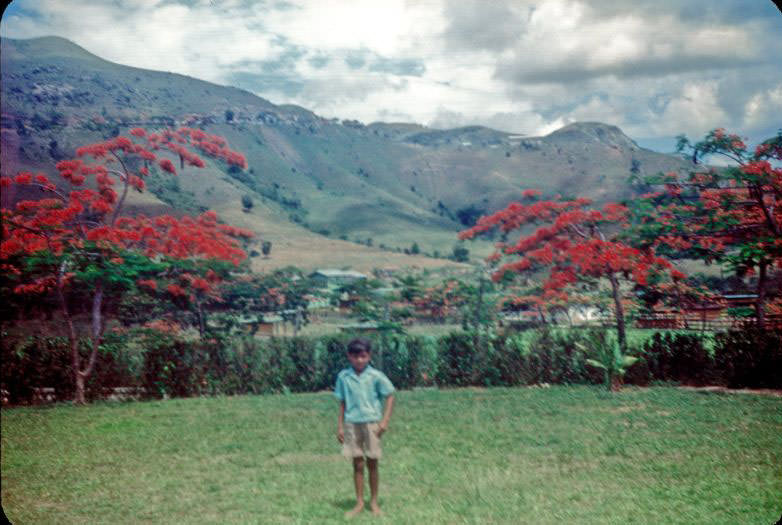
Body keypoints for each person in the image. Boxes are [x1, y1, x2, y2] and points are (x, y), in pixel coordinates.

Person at [334, 338, 395, 518]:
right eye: (355, 357)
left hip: (371, 424)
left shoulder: (376, 376)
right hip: (352, 423)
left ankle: (374, 502)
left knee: (372, 462)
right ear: (349, 357)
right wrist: (340, 427)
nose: (359, 360)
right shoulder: (343, 377)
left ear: (369, 356)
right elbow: (342, 402)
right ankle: (359, 502)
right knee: (357, 463)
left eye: (363, 356)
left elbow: (390, 395)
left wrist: (384, 422)